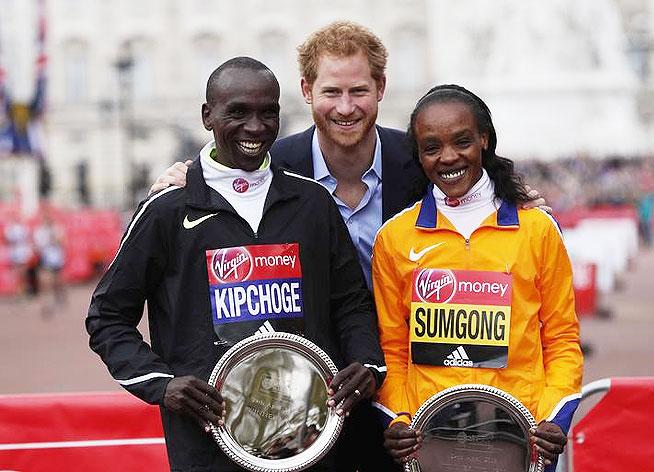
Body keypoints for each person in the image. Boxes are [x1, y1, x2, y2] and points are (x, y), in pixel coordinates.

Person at [149, 21, 549, 472]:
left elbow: (476, 179)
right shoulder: (270, 165)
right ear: (306, 90)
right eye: (331, 92)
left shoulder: (421, 158)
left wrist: (514, 194)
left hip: (412, 381)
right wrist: (183, 178)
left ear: (380, 88)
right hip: (309, 385)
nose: (345, 108)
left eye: (358, 91)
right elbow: (219, 176)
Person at [86, 57, 385, 472]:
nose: (256, 127)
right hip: (210, 448)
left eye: (268, 113)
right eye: (238, 112)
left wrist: (367, 365)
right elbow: (107, 317)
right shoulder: (167, 210)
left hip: (313, 445)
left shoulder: (313, 202)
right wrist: (163, 385)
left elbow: (351, 303)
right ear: (208, 116)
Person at [373, 84, 583, 471]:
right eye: (431, 147)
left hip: (521, 439)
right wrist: (399, 418)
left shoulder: (537, 229)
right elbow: (393, 348)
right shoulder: (394, 238)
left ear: (484, 140)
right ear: (418, 155)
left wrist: (554, 417)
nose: (448, 157)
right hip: (431, 442)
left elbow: (562, 340)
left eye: (462, 141)